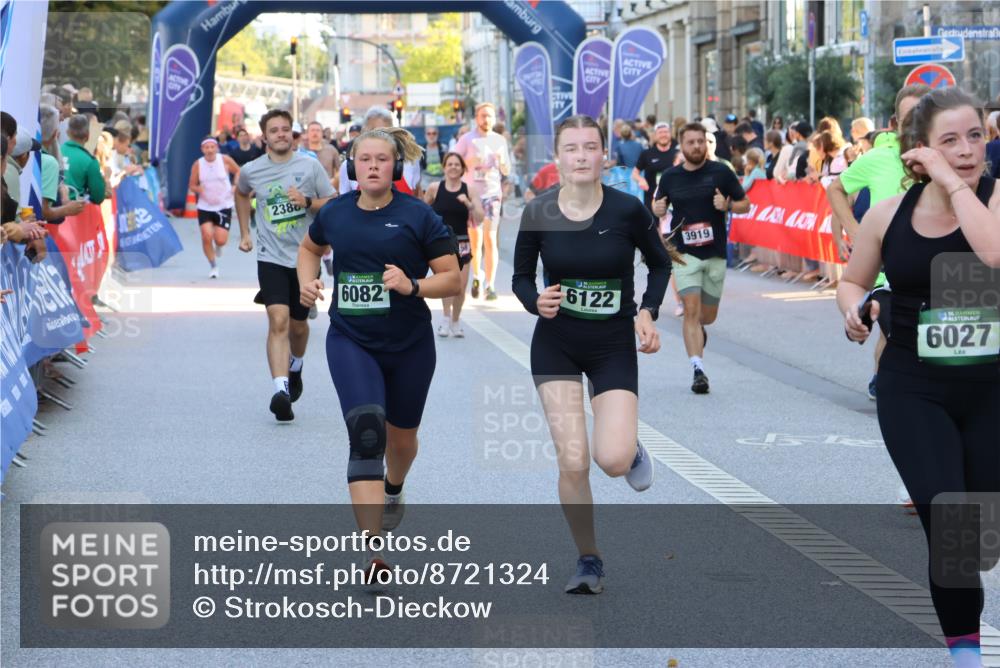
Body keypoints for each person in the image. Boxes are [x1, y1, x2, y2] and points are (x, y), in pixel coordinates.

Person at [837, 87, 1000, 668]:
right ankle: (967, 657)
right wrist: (855, 307)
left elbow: (992, 253)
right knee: (947, 519)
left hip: (992, 390)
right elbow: (852, 280)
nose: (966, 150)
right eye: (948, 140)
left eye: (975, 136)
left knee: (981, 540)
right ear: (919, 150)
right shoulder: (887, 216)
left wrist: (956, 186)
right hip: (913, 387)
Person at [512, 115, 670, 595]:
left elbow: (659, 262)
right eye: (572, 148)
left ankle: (629, 447)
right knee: (573, 460)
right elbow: (520, 277)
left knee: (613, 460)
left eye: (590, 147)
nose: (581, 156)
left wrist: (648, 311)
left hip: (611, 345)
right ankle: (588, 557)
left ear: (605, 155)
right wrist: (532, 300)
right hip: (556, 341)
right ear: (557, 156)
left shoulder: (626, 211)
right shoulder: (538, 211)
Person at [297, 127, 462, 578]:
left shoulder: (418, 216)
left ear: (396, 166)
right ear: (352, 166)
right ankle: (373, 551)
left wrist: (413, 285)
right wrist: (306, 283)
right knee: (367, 432)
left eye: (381, 159)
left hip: (409, 345)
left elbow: (452, 278)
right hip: (351, 339)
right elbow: (310, 248)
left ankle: (394, 486)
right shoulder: (335, 213)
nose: (372, 166)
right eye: (364, 159)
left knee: (402, 442)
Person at [827, 84, 931, 399]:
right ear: (895, 124)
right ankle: (886, 381)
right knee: (899, 334)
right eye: (909, 119)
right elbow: (836, 190)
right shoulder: (879, 158)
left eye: (924, 117)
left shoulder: (952, 162)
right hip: (891, 272)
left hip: (938, 269)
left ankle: (885, 376)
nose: (916, 126)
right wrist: (856, 232)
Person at [235, 109, 336, 422]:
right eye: (273, 130)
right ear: (264, 136)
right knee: (277, 321)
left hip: (305, 257)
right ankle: (280, 391)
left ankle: (296, 365)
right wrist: (244, 233)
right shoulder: (252, 170)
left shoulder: (309, 167)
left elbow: (331, 201)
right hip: (270, 256)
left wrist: (307, 203)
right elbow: (240, 194)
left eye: (284, 130)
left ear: (292, 134)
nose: (280, 134)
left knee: (298, 326)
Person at [653, 122, 750, 394]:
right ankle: (698, 369)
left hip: (715, 254)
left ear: (707, 143)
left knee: (707, 317)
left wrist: (728, 205)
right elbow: (657, 204)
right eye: (691, 142)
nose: (696, 146)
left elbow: (746, 203)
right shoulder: (671, 177)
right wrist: (657, 207)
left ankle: (698, 331)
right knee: (691, 312)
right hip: (684, 255)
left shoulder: (721, 172)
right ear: (681, 146)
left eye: (700, 142)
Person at [453, 102, 511, 301]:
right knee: (475, 241)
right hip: (473, 197)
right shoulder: (467, 139)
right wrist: (470, 162)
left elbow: (507, 170)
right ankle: (477, 276)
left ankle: (490, 285)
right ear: (476, 118)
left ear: (494, 119)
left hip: (493, 194)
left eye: (490, 116)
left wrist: (502, 162)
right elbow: (452, 162)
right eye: (483, 115)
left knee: (491, 239)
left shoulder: (499, 140)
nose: (486, 119)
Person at [424, 152, 484, 337]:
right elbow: (422, 211)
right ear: (444, 167)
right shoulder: (435, 188)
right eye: (449, 164)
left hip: (462, 240)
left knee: (460, 285)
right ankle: (445, 318)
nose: (453, 167)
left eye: (457, 164)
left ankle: (456, 320)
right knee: (446, 282)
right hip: (442, 241)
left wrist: (469, 204)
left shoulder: (469, 190)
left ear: (462, 169)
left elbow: (481, 217)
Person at [190, 136, 240, 278]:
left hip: (224, 205)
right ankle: (213, 266)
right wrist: (199, 190)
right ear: (202, 149)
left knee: (220, 240)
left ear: (216, 148)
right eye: (207, 147)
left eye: (212, 147)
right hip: (205, 206)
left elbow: (238, 171)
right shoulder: (198, 164)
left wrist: (235, 185)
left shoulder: (224, 160)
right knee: (206, 235)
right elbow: (192, 184)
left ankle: (219, 246)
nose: (210, 150)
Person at [633, 122, 679, 213]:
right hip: (652, 200)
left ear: (670, 134)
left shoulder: (678, 153)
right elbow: (635, 173)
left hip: (674, 200)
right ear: (655, 136)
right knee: (654, 226)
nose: (663, 135)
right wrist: (641, 180)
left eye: (666, 132)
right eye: (660, 132)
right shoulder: (647, 154)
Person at [61, 114, 106, 203]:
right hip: (76, 211)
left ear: (67, 132)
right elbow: (98, 197)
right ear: (88, 135)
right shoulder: (90, 161)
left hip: (52, 210)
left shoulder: (55, 151)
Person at [419, 125, 446, 192]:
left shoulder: (443, 148)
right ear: (425, 135)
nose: (431, 136)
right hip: (425, 181)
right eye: (429, 133)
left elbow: (447, 164)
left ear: (437, 134)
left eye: (434, 133)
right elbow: (418, 168)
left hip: (441, 180)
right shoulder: (421, 150)